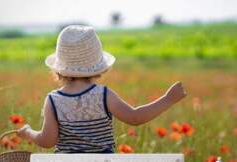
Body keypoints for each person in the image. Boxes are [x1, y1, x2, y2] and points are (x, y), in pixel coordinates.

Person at [18, 25, 187, 153]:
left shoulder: (53, 100)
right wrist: (168, 99)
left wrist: (28, 132)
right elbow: (135, 118)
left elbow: (47, 141)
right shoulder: (103, 94)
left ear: (59, 68)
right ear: (97, 66)